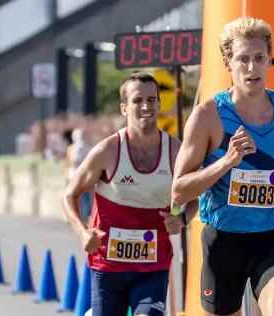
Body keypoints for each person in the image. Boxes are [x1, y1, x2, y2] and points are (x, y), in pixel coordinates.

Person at [170, 17, 274, 316]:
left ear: (270, 60)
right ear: (227, 63)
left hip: (272, 235)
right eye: (242, 59)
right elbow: (179, 190)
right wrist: (227, 161)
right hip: (224, 238)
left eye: (259, 58)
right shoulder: (208, 116)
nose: (251, 67)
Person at [62, 72, 191, 316]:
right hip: (108, 267)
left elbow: (197, 194)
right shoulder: (107, 151)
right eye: (137, 100)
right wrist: (82, 233)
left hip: (153, 266)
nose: (146, 106)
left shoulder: (175, 151)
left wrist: (182, 219)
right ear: (124, 108)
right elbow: (69, 195)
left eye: (152, 100)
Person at [65, 128, 93, 220]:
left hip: (75, 175)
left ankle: (77, 216)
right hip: (84, 176)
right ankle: (85, 216)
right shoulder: (88, 146)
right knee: (84, 197)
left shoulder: (76, 147)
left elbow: (74, 161)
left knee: (75, 197)